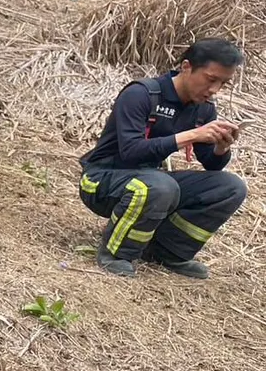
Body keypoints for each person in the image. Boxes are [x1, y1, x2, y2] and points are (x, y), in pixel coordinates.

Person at [80, 38, 247, 279]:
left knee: (231, 187)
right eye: (211, 79)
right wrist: (191, 135)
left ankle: (167, 252)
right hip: (101, 179)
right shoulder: (141, 94)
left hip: (150, 181)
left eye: (223, 83)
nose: (214, 90)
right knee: (160, 185)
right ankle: (116, 254)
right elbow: (131, 152)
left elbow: (212, 164)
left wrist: (221, 148)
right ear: (186, 67)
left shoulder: (203, 109)